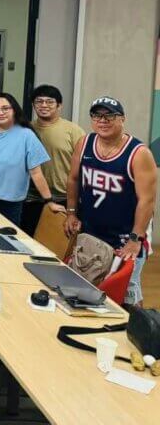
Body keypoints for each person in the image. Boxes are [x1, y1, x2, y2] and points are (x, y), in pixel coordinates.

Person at [65, 97, 158, 307]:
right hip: (92, 229)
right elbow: (73, 179)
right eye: (97, 115)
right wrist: (71, 212)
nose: (103, 121)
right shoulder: (85, 143)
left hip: (125, 235)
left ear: (122, 119)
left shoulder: (139, 153)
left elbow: (147, 200)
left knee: (126, 291)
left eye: (110, 116)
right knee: (88, 282)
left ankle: (138, 332)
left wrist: (136, 238)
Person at [0, 92, 54, 226]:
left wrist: (49, 201)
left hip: (9, 204)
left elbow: (36, 173)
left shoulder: (27, 135)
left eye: (5, 108)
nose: (0, 112)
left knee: (6, 242)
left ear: (14, 109)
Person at [25, 84, 84, 235]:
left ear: (59, 105)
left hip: (63, 197)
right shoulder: (27, 130)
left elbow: (85, 165)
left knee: (58, 244)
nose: (44, 105)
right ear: (33, 105)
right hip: (32, 197)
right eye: (39, 101)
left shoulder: (72, 130)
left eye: (50, 101)